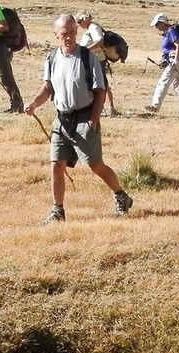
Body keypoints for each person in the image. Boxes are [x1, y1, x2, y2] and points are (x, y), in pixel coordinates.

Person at [24, 14, 134, 223]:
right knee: (56, 163)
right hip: (62, 119)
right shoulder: (52, 58)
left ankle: (121, 195)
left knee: (95, 164)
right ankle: (58, 211)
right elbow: (48, 87)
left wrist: (93, 120)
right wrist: (33, 104)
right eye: (64, 34)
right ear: (56, 35)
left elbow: (100, 90)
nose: (69, 37)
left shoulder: (87, 57)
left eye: (73, 32)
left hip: (85, 117)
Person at [145, 13, 179, 114]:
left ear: (163, 22)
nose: (156, 27)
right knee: (178, 85)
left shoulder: (171, 30)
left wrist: (175, 60)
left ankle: (155, 105)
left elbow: (178, 44)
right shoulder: (167, 32)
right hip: (174, 60)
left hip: (174, 60)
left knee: (164, 81)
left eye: (157, 24)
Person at [75, 10, 118, 117]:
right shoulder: (90, 29)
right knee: (99, 83)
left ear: (85, 19)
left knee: (101, 83)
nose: (79, 24)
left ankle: (108, 108)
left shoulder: (93, 28)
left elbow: (99, 41)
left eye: (80, 21)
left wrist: (86, 50)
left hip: (97, 60)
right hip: (93, 59)